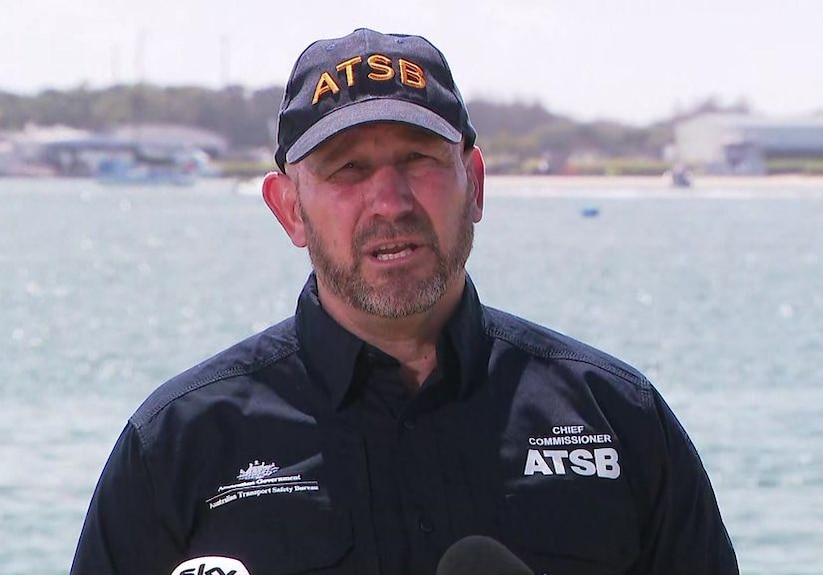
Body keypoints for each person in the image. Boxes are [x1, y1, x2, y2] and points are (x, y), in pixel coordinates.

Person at [71, 28, 739, 575]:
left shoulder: (620, 419)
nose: (389, 202)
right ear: (289, 210)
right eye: (348, 170)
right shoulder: (181, 446)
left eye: (418, 160)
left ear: (474, 184)